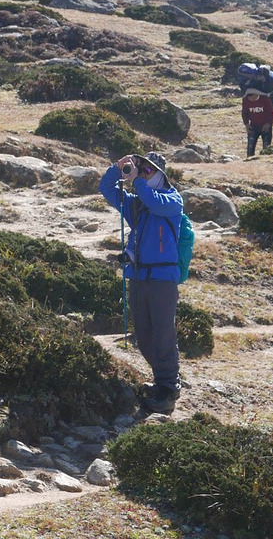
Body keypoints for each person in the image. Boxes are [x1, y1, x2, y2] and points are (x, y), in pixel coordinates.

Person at [98, 151, 183, 414]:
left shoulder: (172, 199)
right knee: (144, 336)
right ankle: (161, 381)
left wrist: (137, 181)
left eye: (148, 170)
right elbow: (105, 188)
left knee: (163, 334)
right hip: (137, 277)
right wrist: (118, 167)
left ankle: (169, 389)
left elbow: (155, 202)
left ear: (161, 174)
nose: (143, 173)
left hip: (162, 280)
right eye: (141, 168)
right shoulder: (138, 204)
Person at [241, 91, 273, 157]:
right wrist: (246, 124)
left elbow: (272, 113)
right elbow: (244, 113)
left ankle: (265, 160)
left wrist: (268, 124)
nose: (251, 100)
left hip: (265, 127)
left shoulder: (265, 99)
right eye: (249, 98)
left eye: (252, 98)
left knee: (266, 148)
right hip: (253, 126)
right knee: (250, 149)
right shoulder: (245, 100)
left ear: (256, 94)